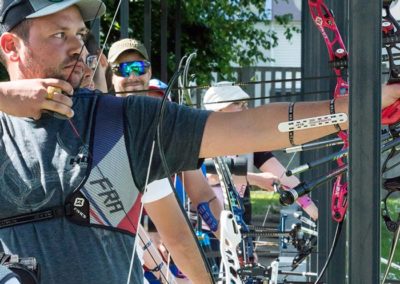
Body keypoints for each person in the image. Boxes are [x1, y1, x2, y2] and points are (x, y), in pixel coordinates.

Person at [0, 1, 398, 284]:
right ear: (11, 47)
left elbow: (252, 128)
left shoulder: (122, 120)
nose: (78, 47)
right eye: (59, 34)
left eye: (80, 35)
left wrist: (358, 106)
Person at [108, 38, 223, 279]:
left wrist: (227, 238)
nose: (132, 76)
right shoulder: (102, 124)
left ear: (148, 71)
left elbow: (202, 196)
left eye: (139, 68)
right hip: (121, 257)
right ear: (111, 76)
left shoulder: (163, 131)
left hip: (167, 259)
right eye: (123, 69)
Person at [203, 82, 319, 221]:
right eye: (237, 103)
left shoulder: (250, 140)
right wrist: (257, 180)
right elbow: (211, 176)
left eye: (245, 103)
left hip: (240, 221)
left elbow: (283, 176)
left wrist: (311, 207)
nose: (245, 108)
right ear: (219, 109)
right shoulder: (204, 137)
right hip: (208, 224)